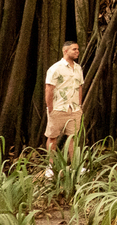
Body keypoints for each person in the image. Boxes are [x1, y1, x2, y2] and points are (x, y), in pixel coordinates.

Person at [44, 40, 84, 171]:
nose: (77, 51)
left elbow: (79, 87)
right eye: (74, 49)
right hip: (58, 108)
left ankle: (75, 166)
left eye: (77, 49)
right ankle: (50, 167)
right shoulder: (55, 68)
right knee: (52, 137)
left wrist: (79, 104)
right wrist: (50, 108)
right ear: (65, 51)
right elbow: (49, 88)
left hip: (74, 109)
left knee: (73, 138)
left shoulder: (78, 68)